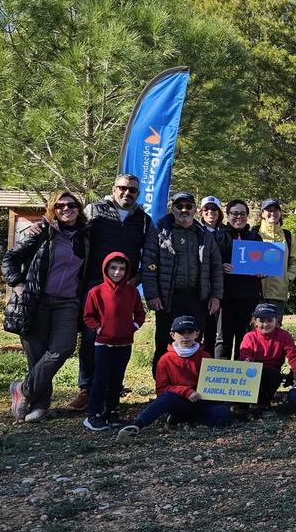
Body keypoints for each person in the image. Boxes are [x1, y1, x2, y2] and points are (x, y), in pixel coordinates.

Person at [69, 173, 153, 411]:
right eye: (123, 188)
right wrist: (42, 224)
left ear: (138, 193)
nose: (127, 193)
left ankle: (112, 388)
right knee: (90, 336)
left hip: (124, 288)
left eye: (133, 190)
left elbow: (150, 251)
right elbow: (70, 228)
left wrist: (138, 278)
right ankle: (87, 389)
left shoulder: (144, 220)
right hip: (94, 284)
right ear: (114, 188)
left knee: (118, 337)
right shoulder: (94, 211)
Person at [5, 191, 89, 423]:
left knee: (63, 347)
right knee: (37, 354)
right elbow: (10, 259)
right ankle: (41, 406)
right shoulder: (42, 233)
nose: (66, 209)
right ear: (53, 209)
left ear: (78, 208)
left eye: (71, 205)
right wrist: (18, 284)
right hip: (37, 300)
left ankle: (23, 389)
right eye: (60, 205)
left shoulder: (85, 236)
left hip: (68, 302)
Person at [141, 192, 224, 371]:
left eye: (188, 206)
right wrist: (152, 295)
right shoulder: (159, 231)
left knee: (195, 342)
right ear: (173, 209)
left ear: (195, 210)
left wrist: (216, 296)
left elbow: (216, 268)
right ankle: (163, 388)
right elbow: (148, 265)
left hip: (197, 297)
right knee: (164, 342)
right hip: (167, 299)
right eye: (180, 206)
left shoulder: (204, 234)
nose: (184, 210)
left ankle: (191, 384)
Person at [116, 316, 232, 441]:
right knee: (165, 399)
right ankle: (136, 425)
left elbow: (214, 383)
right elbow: (162, 389)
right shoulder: (165, 359)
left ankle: (181, 419)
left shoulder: (205, 356)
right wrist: (186, 392)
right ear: (173, 335)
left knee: (224, 415)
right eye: (181, 332)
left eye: (190, 332)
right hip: (179, 401)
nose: (185, 336)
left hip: (202, 402)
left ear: (197, 334)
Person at [80, 252, 146, 431]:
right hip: (104, 344)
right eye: (113, 268)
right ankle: (94, 414)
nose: (117, 272)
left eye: (122, 269)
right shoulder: (96, 292)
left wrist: (132, 326)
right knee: (101, 378)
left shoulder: (132, 291)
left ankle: (112, 411)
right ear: (106, 269)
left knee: (117, 378)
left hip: (125, 343)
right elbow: (88, 316)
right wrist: (99, 329)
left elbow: (140, 314)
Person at [240, 303, 296, 416]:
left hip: (273, 371)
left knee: (273, 376)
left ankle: (264, 404)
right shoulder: (249, 337)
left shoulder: (284, 336)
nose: (265, 324)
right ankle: (250, 403)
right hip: (254, 371)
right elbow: (245, 355)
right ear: (255, 321)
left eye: (269, 320)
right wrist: (247, 361)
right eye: (261, 320)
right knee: (256, 375)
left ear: (276, 320)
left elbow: (294, 357)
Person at [216, 200, 264, 360]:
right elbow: (209, 263)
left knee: (245, 338)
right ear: (227, 215)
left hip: (249, 296)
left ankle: (241, 380)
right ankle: (220, 376)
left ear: (247, 216)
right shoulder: (218, 236)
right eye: (234, 213)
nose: (239, 217)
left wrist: (262, 272)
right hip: (226, 297)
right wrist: (221, 267)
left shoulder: (255, 237)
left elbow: (263, 266)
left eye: (242, 213)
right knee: (223, 339)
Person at [256, 198, 296, 315]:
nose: (272, 213)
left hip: (278, 292)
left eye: (276, 210)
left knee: (275, 327)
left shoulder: (288, 236)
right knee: (254, 329)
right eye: (268, 210)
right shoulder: (253, 233)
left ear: (280, 213)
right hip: (255, 290)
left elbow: (295, 261)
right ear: (262, 214)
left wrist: (287, 278)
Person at [198, 196, 227, 348]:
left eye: (214, 209)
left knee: (213, 333)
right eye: (206, 209)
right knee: (197, 331)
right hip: (200, 288)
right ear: (201, 212)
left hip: (219, 288)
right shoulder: (195, 231)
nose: (210, 212)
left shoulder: (225, 233)